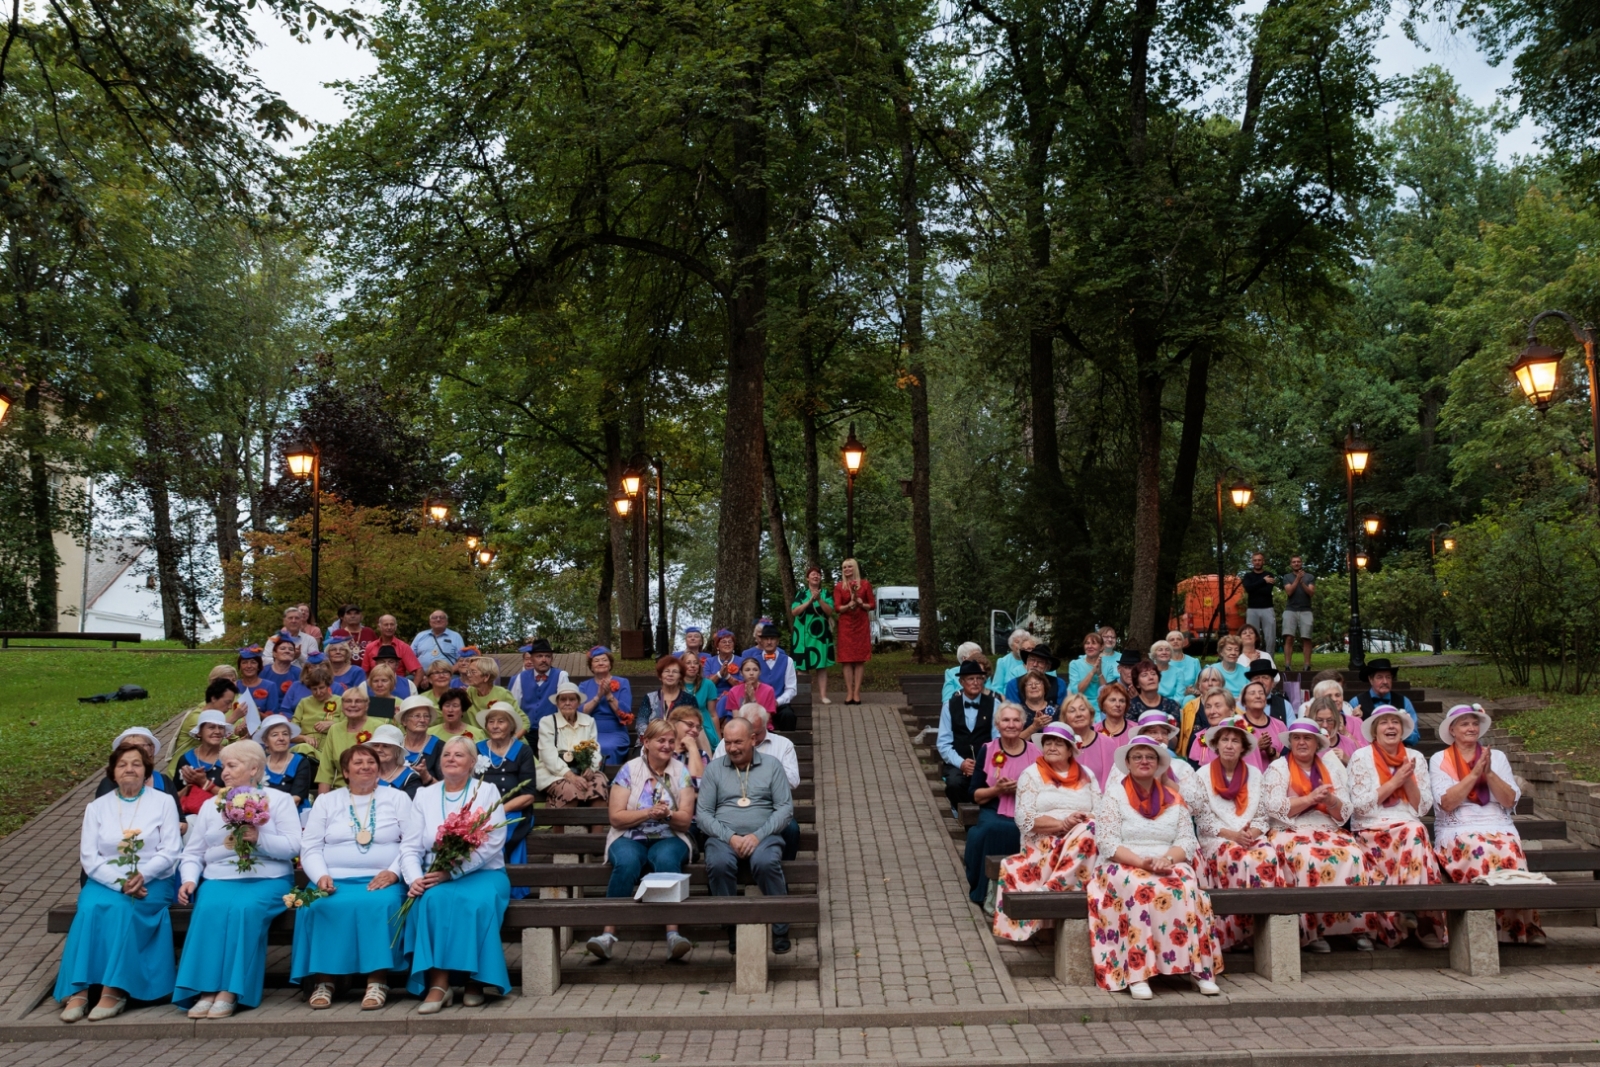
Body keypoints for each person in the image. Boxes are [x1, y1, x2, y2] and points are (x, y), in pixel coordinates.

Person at [173, 740, 302, 1018]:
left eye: (232, 766)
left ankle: (230, 991)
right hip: (220, 878)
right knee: (209, 908)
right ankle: (206, 990)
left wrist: (259, 838)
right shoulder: (212, 805)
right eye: (223, 767)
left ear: (254, 768)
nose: (224, 773)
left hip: (267, 879)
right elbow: (194, 852)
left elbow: (293, 846)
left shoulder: (278, 800)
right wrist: (189, 880)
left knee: (244, 909)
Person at [55, 741, 183, 1023]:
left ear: (146, 770)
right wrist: (120, 883)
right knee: (89, 908)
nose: (130, 769)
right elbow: (89, 857)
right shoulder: (97, 807)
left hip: (153, 880)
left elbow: (171, 850)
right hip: (107, 879)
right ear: (112, 772)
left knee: (127, 908)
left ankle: (115, 991)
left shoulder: (163, 802)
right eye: (123, 764)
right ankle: (79, 991)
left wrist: (142, 876)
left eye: (136, 764)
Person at [1088, 734, 1222, 999]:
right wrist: (1142, 863)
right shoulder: (1114, 796)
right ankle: (1138, 972)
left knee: (1186, 885)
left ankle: (1199, 970)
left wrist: (1167, 860)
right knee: (1140, 887)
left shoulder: (1174, 797)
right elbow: (1107, 843)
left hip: (1166, 860)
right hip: (1122, 863)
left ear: (1160, 763)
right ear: (1127, 763)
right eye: (1137, 756)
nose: (1144, 761)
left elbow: (1186, 839)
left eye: (1150, 756)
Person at [292, 744, 418, 1010]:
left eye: (370, 762)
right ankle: (325, 981)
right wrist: (320, 875)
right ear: (346, 772)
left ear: (379, 769)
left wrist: (394, 872)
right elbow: (311, 846)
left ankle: (377, 981)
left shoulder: (397, 798)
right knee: (316, 904)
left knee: (381, 905)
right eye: (358, 763)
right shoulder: (327, 801)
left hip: (381, 879)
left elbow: (412, 843)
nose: (365, 767)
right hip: (333, 879)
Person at [401, 736, 511, 1012]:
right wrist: (414, 878)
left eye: (459, 755)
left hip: (484, 873)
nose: (451, 758)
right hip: (435, 874)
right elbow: (410, 845)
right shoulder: (425, 795)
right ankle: (439, 985)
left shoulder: (487, 791)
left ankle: (475, 980)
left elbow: (493, 841)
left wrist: (452, 873)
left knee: (474, 904)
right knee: (431, 901)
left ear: (472, 763)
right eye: (447, 754)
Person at [1430, 704, 1545, 945]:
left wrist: (1489, 772)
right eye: (1464, 723)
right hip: (1458, 826)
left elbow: (1509, 799)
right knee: (1478, 849)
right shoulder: (1440, 759)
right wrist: (1473, 775)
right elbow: (1448, 803)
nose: (1471, 727)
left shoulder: (1498, 756)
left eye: (1474, 723)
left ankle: (1515, 929)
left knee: (1508, 848)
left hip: (1497, 823)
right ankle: (1479, 933)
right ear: (1452, 730)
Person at [586, 720, 699, 961]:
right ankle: (607, 936)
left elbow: (686, 820)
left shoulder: (682, 772)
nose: (667, 745)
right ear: (646, 742)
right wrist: (648, 812)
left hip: (670, 836)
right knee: (626, 861)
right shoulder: (629, 770)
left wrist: (667, 814)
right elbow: (616, 818)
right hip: (628, 836)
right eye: (661, 740)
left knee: (667, 858)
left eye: (671, 741)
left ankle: (673, 935)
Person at [1261, 720, 1375, 953]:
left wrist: (1330, 800)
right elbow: (1272, 808)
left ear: (1317, 742)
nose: (1301, 742)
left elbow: (1344, 812)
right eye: (1296, 738)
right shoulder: (1279, 767)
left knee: (1352, 854)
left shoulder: (1331, 768)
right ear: (1290, 742)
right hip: (1290, 829)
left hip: (1327, 828)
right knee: (1308, 856)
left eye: (1307, 738)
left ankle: (1354, 928)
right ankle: (1313, 932)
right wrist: (1310, 799)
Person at [1180, 718, 1284, 952]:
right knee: (1238, 858)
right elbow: (1204, 820)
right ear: (1215, 745)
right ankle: (1237, 934)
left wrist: (1251, 834)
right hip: (1218, 838)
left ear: (1244, 746)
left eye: (1235, 740)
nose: (1229, 745)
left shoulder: (1256, 774)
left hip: (1250, 835)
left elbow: (1262, 815)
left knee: (1267, 856)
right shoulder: (1202, 775)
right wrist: (1233, 836)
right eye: (1224, 740)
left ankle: (1264, 932)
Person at [696, 717, 796, 955]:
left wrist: (757, 836)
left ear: (752, 739)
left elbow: (785, 809)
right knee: (719, 863)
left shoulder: (772, 765)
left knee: (765, 862)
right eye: (728, 742)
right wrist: (730, 837)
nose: (732, 748)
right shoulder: (714, 768)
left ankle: (780, 928)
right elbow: (703, 814)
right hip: (723, 837)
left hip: (764, 835)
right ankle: (732, 927)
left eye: (738, 742)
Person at [1348, 705, 1445, 949]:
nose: (1390, 726)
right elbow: (1360, 807)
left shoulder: (1415, 758)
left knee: (1415, 831)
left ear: (1402, 730)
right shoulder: (1361, 756)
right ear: (1374, 731)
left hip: (1406, 824)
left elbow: (1422, 808)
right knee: (1414, 835)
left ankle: (1408, 909)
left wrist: (1407, 779)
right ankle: (1418, 919)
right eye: (1384, 722)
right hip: (1371, 828)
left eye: (1395, 722)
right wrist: (1395, 781)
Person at [992, 722, 1098, 942]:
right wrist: (1063, 825)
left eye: (1059, 743)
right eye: (1048, 742)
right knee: (1088, 832)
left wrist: (1078, 823)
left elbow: (1101, 811)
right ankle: (1056, 887)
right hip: (1044, 842)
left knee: (1092, 828)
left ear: (1070, 749)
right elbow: (1024, 819)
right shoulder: (1031, 774)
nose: (1052, 746)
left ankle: (1053, 887)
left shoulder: (1086, 774)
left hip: (1083, 837)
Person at [963, 704, 1040, 908]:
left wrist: (1021, 791)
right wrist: (996, 790)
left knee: (1020, 829)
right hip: (993, 808)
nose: (1011, 725)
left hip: (1025, 810)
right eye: (1006, 720)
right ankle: (986, 889)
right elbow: (975, 795)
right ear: (997, 724)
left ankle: (1016, 888)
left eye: (1016, 720)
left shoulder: (1035, 752)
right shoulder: (987, 750)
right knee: (989, 830)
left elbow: (1044, 792)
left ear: (1023, 723)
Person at [476, 706, 537, 862]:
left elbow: (528, 796)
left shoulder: (522, 751)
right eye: (491, 722)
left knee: (496, 830)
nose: (495, 726)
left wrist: (498, 811)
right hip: (480, 812)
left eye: (501, 721)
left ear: (511, 726)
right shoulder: (477, 749)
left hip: (514, 812)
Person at [537, 680, 611, 807]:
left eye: (572, 699)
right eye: (563, 699)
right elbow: (548, 755)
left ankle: (597, 825)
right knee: (570, 789)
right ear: (557, 703)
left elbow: (594, 749)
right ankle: (559, 825)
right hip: (554, 773)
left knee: (599, 785)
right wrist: (570, 776)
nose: (567, 703)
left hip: (582, 771)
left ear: (578, 702)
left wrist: (591, 768)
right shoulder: (547, 722)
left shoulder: (589, 721)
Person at [938, 661, 996, 813]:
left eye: (979, 678)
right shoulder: (949, 706)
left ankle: (985, 815)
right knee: (954, 783)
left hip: (987, 760)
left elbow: (998, 739)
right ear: (961, 682)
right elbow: (943, 743)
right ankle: (962, 814)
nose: (976, 682)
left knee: (993, 781)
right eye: (971, 679)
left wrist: (982, 762)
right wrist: (962, 763)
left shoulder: (994, 703)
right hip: (958, 761)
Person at [314, 689, 381, 793]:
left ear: (367, 705)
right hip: (341, 791)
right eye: (348, 701)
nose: (353, 705)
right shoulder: (334, 729)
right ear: (342, 705)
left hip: (373, 789)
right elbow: (325, 770)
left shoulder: (378, 727)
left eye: (358, 701)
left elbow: (385, 766)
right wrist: (322, 803)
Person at [789, 563, 836, 705]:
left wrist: (819, 599)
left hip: (820, 637)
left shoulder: (826, 593)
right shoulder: (801, 594)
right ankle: (804, 697)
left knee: (821, 666)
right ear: (807, 578)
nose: (816, 576)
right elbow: (794, 611)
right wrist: (810, 600)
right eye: (813, 574)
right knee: (802, 667)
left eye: (818, 574)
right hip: (802, 637)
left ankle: (823, 696)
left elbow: (829, 611)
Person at [580, 646, 635, 763]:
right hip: (589, 730)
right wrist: (598, 696)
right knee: (582, 747)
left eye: (604, 660)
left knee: (606, 747)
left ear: (610, 665)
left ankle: (608, 781)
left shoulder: (623, 682)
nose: (601, 663)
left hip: (615, 731)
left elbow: (625, 714)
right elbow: (580, 713)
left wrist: (609, 695)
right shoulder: (584, 686)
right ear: (591, 666)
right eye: (596, 661)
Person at [257, 714, 318, 820]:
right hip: (265, 817)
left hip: (294, 818)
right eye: (275, 735)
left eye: (285, 734)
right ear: (266, 741)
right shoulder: (259, 764)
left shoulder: (301, 762)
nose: (281, 738)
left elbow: (296, 799)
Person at [1348, 658, 1422, 744]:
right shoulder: (1356, 702)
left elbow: (1415, 738)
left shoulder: (1404, 701)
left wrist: (1403, 727)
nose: (1385, 681)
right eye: (1380, 677)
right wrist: (1356, 720)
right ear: (1371, 680)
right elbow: (1349, 737)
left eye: (1388, 677)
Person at [95, 727, 180, 802]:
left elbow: (178, 817)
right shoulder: (109, 783)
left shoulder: (163, 781)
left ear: (152, 749)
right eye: (128, 747)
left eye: (140, 746)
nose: (134, 751)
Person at [832, 557, 875, 705]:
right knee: (846, 660)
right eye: (844, 567)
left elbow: (872, 605)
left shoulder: (865, 584)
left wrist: (862, 604)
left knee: (859, 659)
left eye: (849, 566)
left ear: (855, 568)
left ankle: (857, 692)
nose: (847, 569)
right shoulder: (839, 586)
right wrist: (848, 605)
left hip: (861, 623)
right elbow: (837, 608)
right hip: (846, 625)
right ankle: (849, 692)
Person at [175, 708, 230, 822]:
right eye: (211, 727)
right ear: (199, 732)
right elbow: (174, 795)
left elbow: (235, 797)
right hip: (189, 817)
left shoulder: (230, 759)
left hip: (221, 817)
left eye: (221, 727)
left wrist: (204, 784)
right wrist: (189, 787)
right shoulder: (186, 759)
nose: (217, 731)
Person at [743, 623, 799, 729]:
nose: (769, 642)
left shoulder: (788, 660)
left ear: (777, 641)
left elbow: (791, 689)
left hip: (780, 705)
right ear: (761, 641)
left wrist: (777, 702)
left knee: (788, 715)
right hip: (758, 703)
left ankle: (788, 744)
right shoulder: (754, 660)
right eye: (766, 639)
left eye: (772, 639)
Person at [509, 638, 568, 732]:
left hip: (552, 730)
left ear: (552, 659)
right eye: (539, 656)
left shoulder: (561, 675)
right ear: (532, 659)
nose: (544, 660)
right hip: (526, 730)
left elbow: (565, 706)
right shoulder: (520, 677)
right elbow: (514, 707)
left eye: (547, 656)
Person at [1060, 694, 1114, 790]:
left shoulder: (1107, 743)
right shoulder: (1060, 746)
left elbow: (1113, 781)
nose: (1078, 714)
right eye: (1072, 711)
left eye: (1082, 709)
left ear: (1091, 713)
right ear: (1065, 718)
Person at [459, 656, 521, 734]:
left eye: (473, 672)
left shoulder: (502, 694)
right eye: (468, 671)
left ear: (486, 676)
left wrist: (512, 740)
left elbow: (523, 721)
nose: (468, 675)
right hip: (481, 741)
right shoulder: (470, 691)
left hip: (504, 740)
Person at [642, 653, 701, 730]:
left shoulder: (690, 699)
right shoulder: (649, 698)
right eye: (666, 671)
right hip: (652, 739)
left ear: (680, 677)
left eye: (675, 672)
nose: (670, 674)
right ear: (660, 676)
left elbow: (695, 723)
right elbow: (641, 722)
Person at [1176, 668, 1226, 756]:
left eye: (1214, 680)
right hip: (1195, 756)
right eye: (1205, 680)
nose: (1210, 684)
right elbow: (1184, 739)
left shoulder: (1230, 707)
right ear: (1199, 685)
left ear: (1221, 684)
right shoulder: (1189, 707)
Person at [715, 655, 778, 726]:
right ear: (741, 673)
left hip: (762, 728)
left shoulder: (768, 690)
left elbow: (765, 719)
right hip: (741, 728)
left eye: (755, 670)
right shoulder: (734, 691)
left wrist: (753, 700)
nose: (751, 673)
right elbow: (736, 718)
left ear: (760, 672)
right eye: (747, 670)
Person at [361, 615, 421, 684]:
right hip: (376, 686)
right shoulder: (370, 647)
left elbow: (418, 670)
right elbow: (364, 672)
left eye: (392, 624)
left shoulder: (403, 647)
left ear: (395, 627)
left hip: (397, 686)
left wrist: (412, 690)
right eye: (386, 625)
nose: (389, 627)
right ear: (379, 627)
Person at [369, 723, 424, 798]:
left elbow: (407, 807)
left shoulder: (410, 778)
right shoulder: (366, 772)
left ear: (397, 751)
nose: (379, 750)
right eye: (376, 745)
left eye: (386, 746)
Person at [395, 695, 442, 783]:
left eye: (426, 716)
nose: (422, 720)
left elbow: (445, 787)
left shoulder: (440, 747)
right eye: (417, 716)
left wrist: (427, 777)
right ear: (404, 721)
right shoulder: (396, 744)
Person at [1280, 556, 1316, 671]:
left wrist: (1302, 582)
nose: (1296, 563)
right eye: (1294, 562)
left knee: (1307, 638)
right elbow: (1289, 592)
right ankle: (1287, 665)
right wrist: (1297, 579)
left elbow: (1311, 593)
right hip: (1290, 610)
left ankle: (1307, 665)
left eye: (1298, 562)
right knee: (1289, 637)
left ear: (1301, 563)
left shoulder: (1309, 577)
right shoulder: (1287, 577)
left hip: (1306, 610)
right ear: (1291, 564)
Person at [1240, 552, 1278, 655]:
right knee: (1251, 636)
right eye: (1255, 560)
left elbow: (1266, 591)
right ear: (1252, 562)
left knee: (1270, 637)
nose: (1257, 562)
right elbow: (1248, 589)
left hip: (1267, 608)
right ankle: (1252, 660)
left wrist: (1255, 587)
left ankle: (1270, 661)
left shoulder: (1269, 575)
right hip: (1252, 609)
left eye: (1259, 560)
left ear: (1263, 561)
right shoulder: (1248, 576)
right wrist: (1263, 581)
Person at [1308, 695, 1363, 764]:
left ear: (1336, 720)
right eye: (1319, 720)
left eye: (1329, 720)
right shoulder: (1307, 744)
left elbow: (1359, 772)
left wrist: (1348, 761)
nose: (1325, 725)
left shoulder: (1349, 743)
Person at [679, 651, 721, 740]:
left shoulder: (708, 684)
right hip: (681, 726)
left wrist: (719, 739)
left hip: (703, 726)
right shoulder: (675, 685)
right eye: (688, 663)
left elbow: (713, 714)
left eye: (696, 663)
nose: (693, 666)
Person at [1127, 660, 1181, 725]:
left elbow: (1175, 732)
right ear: (1137, 684)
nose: (1151, 677)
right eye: (1144, 675)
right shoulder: (1130, 706)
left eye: (1153, 674)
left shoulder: (1171, 705)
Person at [258, 638, 302, 715]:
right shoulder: (263, 671)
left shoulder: (299, 673)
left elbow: (302, 699)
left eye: (291, 649)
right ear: (274, 653)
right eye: (283, 648)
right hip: (264, 715)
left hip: (291, 715)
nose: (287, 651)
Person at [1066, 632, 1109, 704]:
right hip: (1080, 705)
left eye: (1094, 643)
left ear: (1101, 647)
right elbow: (1076, 692)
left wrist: (1100, 673)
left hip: (1101, 707)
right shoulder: (1074, 664)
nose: (1090, 646)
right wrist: (1092, 672)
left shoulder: (1108, 667)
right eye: (1087, 643)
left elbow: (1107, 694)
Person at [992, 630, 1036, 697]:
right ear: (1011, 645)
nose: (1020, 645)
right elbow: (997, 688)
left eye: (1023, 642)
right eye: (1017, 642)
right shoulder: (1003, 662)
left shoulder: (1035, 662)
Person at [1015, 672, 1058, 739]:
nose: (1033, 686)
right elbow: (1012, 742)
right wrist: (1034, 727)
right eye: (1029, 684)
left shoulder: (1057, 710)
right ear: (1024, 690)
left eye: (1038, 683)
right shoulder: (1016, 712)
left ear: (1045, 688)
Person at [1162, 630, 1202, 700]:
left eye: (1179, 639)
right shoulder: (1161, 663)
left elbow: (1200, 684)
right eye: (1172, 640)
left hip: (1190, 697)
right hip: (1168, 698)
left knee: (1190, 699)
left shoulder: (1194, 662)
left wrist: (1194, 691)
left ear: (1183, 643)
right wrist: (1183, 691)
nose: (1175, 641)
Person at [705, 629, 741, 695]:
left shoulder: (741, 661)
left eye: (730, 642)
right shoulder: (709, 661)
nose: (727, 644)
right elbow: (706, 686)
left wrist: (727, 676)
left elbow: (743, 686)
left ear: (733, 645)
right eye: (724, 642)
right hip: (714, 697)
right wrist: (719, 674)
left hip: (735, 696)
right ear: (717, 646)